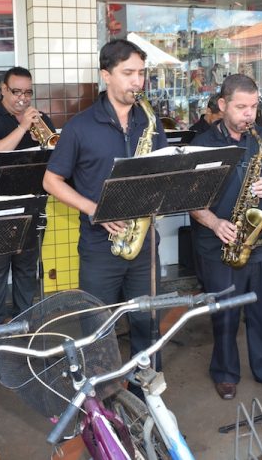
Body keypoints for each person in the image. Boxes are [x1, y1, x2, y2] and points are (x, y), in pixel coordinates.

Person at [43, 39, 168, 367]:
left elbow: (164, 170)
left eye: (141, 73)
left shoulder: (149, 121)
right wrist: (94, 209)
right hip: (100, 246)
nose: (137, 81)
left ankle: (145, 396)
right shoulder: (80, 126)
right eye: (128, 73)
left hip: (144, 245)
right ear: (105, 75)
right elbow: (51, 181)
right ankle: (103, 403)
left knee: (147, 324)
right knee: (97, 329)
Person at [189, 74, 262, 401]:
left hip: (261, 244)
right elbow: (189, 199)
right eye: (241, 107)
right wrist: (214, 223)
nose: (248, 114)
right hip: (218, 243)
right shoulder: (202, 145)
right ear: (222, 105)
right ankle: (225, 373)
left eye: (253, 106)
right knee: (224, 313)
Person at [0, 66, 55, 326]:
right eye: (17, 91)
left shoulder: (41, 120)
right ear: (4, 90)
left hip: (31, 204)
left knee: (27, 270)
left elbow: (56, 156)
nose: (23, 98)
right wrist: (22, 128)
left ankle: (24, 326)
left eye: (28, 92)